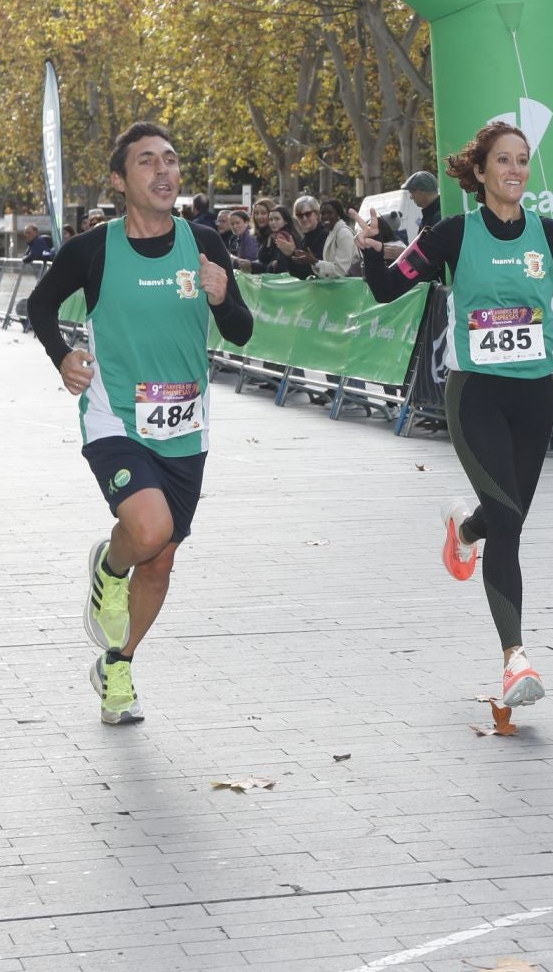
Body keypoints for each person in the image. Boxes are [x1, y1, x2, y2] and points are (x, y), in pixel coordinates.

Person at [358, 120, 553, 708]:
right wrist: (368, 250)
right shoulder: (453, 235)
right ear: (483, 171)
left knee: (503, 513)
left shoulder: (547, 234)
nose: (515, 170)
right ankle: (515, 660)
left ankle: (464, 532)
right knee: (510, 522)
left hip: (535, 396)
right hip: (476, 397)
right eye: (504, 161)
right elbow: (387, 289)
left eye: (522, 161)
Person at [27, 122, 254, 726]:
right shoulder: (93, 249)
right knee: (148, 530)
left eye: (171, 161)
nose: (163, 172)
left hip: (185, 427)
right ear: (120, 180)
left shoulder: (204, 241)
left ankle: (119, 663)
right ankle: (108, 567)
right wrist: (63, 355)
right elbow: (40, 304)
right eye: (147, 162)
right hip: (116, 419)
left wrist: (221, 295)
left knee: (161, 560)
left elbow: (240, 330)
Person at [257, 207, 313, 277]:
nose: (273, 222)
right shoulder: (273, 235)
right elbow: (263, 258)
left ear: (285, 221)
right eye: (271, 219)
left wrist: (271, 266)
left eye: (277, 219)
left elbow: (280, 266)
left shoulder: (284, 236)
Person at [314, 198, 361, 278]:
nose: (325, 216)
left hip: (350, 286)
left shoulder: (343, 233)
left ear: (338, 215)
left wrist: (314, 261)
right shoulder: (332, 232)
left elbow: (341, 270)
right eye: (322, 213)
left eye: (330, 213)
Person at [400, 169, 444, 241]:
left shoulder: (437, 217)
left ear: (419, 192)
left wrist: (403, 251)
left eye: (411, 193)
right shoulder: (436, 212)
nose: (411, 197)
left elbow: (432, 249)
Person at [292, 195, 328, 259]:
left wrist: (292, 252)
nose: (304, 218)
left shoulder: (325, 235)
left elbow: (317, 265)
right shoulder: (305, 238)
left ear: (317, 214)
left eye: (308, 214)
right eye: (300, 215)